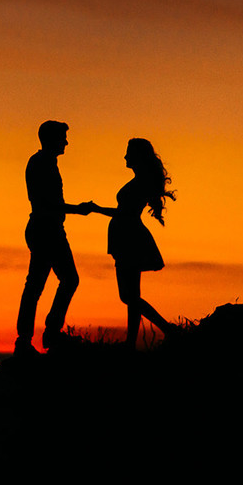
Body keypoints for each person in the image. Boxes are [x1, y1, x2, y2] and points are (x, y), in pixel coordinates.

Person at [14, 120, 95, 357]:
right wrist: (77, 209)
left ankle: (38, 336)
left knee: (51, 283)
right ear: (52, 139)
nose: (66, 142)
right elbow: (45, 203)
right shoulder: (41, 163)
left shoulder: (47, 163)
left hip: (49, 229)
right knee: (51, 283)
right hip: (45, 230)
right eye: (63, 137)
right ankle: (36, 337)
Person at [89, 138, 179, 348]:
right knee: (132, 295)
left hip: (129, 237)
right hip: (127, 236)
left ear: (138, 156)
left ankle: (167, 329)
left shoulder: (140, 183)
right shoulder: (141, 180)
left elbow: (125, 213)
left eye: (128, 152)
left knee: (127, 296)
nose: (125, 156)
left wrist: (96, 209)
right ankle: (131, 342)